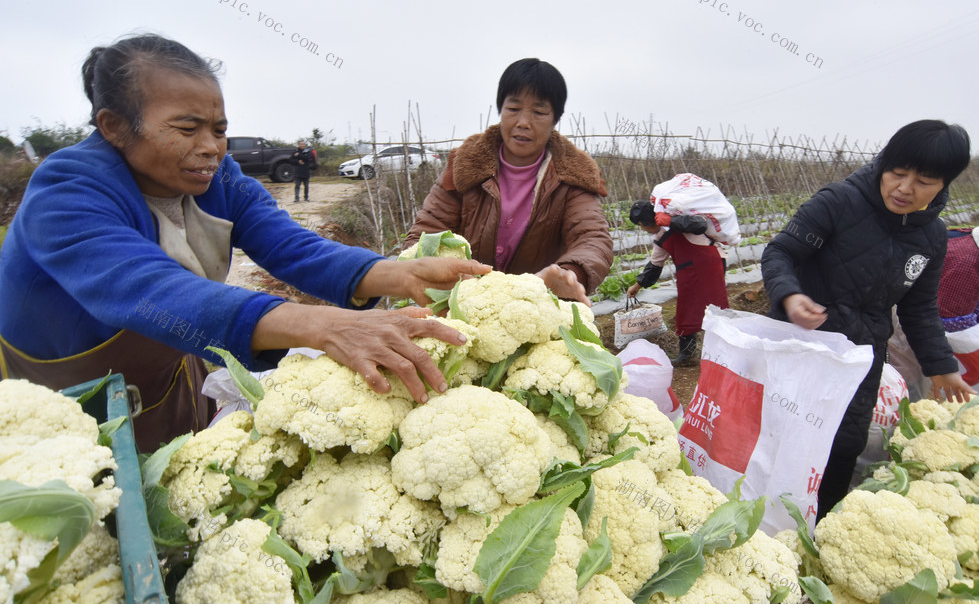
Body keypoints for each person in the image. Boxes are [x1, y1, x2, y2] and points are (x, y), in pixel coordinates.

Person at [0, 34, 490, 451]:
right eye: (187, 128)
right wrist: (324, 327)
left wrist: (396, 273)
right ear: (114, 127)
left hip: (168, 381)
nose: (211, 146)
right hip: (65, 405)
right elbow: (153, 292)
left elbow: (292, 246)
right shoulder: (67, 191)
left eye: (219, 130)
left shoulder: (218, 179)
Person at [761, 119, 976, 519]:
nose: (905, 188)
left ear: (944, 184)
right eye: (897, 173)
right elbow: (781, 253)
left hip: (862, 355)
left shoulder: (932, 238)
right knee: (781, 433)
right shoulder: (839, 202)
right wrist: (790, 295)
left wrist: (942, 366)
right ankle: (760, 520)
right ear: (884, 164)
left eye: (924, 180)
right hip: (802, 343)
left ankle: (819, 530)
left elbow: (919, 308)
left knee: (844, 444)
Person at [403, 58, 613, 305]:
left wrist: (568, 273)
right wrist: (446, 278)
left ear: (555, 118)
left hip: (540, 306)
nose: (523, 122)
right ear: (500, 109)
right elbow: (427, 232)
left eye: (539, 112)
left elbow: (592, 238)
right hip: (465, 302)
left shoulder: (574, 175)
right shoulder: (465, 166)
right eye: (513, 109)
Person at [888, 212, 979, 397]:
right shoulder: (966, 268)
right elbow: (944, 322)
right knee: (910, 381)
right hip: (909, 316)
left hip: (915, 305)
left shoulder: (974, 247)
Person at [626, 201, 730, 365]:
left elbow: (699, 225)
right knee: (687, 308)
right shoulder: (661, 237)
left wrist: (669, 221)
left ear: (645, 223)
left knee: (714, 306)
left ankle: (723, 350)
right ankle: (689, 354)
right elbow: (655, 265)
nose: (643, 229)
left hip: (709, 264)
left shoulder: (677, 221)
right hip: (689, 270)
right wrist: (637, 286)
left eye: (641, 225)